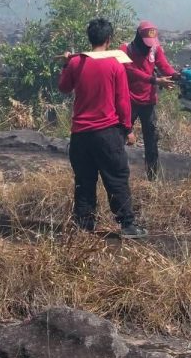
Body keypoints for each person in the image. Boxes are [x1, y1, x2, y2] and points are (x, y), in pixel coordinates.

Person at [58, 17, 147, 238]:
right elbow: (122, 101)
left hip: (80, 136)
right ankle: (127, 225)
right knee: (116, 178)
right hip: (107, 134)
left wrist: (66, 64)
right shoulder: (115, 65)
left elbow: (64, 87)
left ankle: (84, 227)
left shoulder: (76, 63)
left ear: (90, 38)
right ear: (109, 39)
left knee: (84, 181)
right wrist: (128, 129)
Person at [120, 20, 179, 180]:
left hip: (148, 102)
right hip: (129, 101)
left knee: (152, 141)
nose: (149, 46)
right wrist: (155, 80)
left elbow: (164, 65)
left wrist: (175, 75)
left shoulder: (155, 48)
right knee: (120, 137)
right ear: (138, 37)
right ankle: (118, 174)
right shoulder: (125, 49)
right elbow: (130, 70)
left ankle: (152, 177)